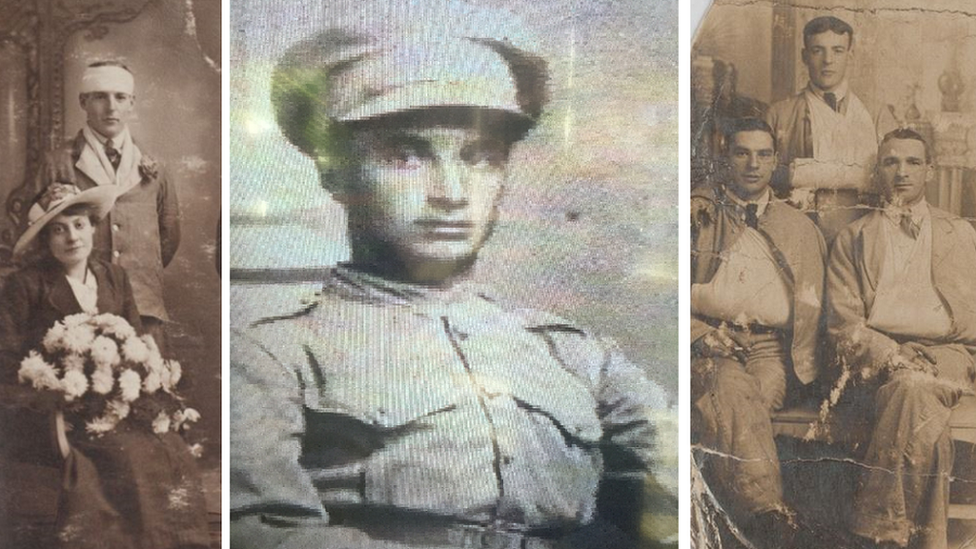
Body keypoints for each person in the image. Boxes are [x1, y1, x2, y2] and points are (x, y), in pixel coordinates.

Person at [230, 4, 675, 548]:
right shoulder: (272, 354)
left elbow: (686, 493)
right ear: (336, 170)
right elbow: (261, 534)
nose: (452, 193)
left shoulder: (575, 355)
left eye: (479, 157)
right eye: (406, 156)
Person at [0, 184, 209, 549]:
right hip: (57, 408)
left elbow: (137, 342)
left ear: (94, 227)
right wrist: (59, 389)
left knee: (170, 450)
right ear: (45, 239)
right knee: (126, 457)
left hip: (118, 400)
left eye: (79, 225)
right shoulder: (25, 284)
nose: (71, 237)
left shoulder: (113, 276)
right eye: (58, 229)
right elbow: (6, 359)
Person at [826, 128, 976, 549]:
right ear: (878, 171)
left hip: (948, 354)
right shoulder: (853, 239)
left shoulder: (961, 234)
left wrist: (928, 354)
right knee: (917, 401)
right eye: (891, 162)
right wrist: (892, 354)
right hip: (880, 362)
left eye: (913, 162)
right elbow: (843, 325)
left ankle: (873, 533)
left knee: (915, 386)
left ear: (929, 170)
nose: (902, 172)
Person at [690, 118, 826, 546]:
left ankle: (726, 530)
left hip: (769, 350)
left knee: (746, 404)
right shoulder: (698, 215)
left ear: (776, 161)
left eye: (763, 154)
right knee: (731, 392)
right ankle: (768, 521)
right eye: (741, 153)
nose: (753, 164)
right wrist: (697, 333)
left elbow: (816, 308)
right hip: (707, 346)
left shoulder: (798, 226)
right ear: (725, 157)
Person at [46, 61, 181, 353]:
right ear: (83, 101)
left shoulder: (154, 163)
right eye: (99, 96)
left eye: (120, 97)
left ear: (132, 103)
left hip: (144, 309)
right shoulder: (58, 162)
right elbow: (40, 238)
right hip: (78, 309)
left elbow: (168, 236)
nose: (111, 107)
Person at [765, 16, 895, 189]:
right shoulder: (779, 114)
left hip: (867, 213)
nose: (828, 60)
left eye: (838, 50)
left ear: (850, 55)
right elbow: (762, 173)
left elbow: (896, 172)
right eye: (818, 50)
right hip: (799, 215)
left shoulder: (876, 114)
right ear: (805, 56)